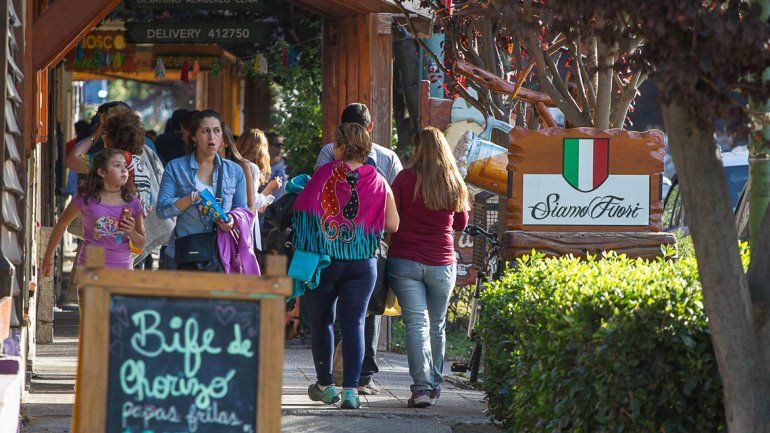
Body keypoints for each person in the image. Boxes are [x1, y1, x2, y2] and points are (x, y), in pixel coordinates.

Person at [294, 122, 399, 410]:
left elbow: (302, 208)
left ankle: (326, 386)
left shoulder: (326, 173)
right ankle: (351, 391)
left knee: (323, 321)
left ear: (340, 147)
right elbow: (393, 223)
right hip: (363, 263)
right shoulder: (379, 180)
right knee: (354, 324)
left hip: (327, 260)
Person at [387, 127, 469, 408]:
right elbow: (461, 224)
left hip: (405, 260)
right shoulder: (453, 181)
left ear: (419, 149)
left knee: (416, 323)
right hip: (442, 262)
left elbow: (391, 219)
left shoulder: (405, 179)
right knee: (436, 325)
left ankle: (421, 389)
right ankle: (434, 385)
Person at [66, 106, 169, 269]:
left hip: (109, 236)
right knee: (123, 286)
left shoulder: (109, 162)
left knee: (95, 287)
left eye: (105, 134)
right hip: (135, 234)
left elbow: (72, 159)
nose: (102, 138)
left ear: (110, 136)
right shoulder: (140, 162)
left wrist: (94, 135)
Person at [156, 109, 247, 270]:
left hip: (221, 252)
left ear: (222, 137)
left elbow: (243, 211)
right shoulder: (175, 168)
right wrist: (192, 198)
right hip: (182, 252)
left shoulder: (235, 171)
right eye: (205, 131)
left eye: (216, 131)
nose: (211, 137)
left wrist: (232, 220)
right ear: (193, 137)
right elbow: (162, 210)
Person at [42, 149, 146, 276]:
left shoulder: (133, 203)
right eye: (117, 165)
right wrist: (48, 257)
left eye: (125, 165)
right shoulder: (86, 198)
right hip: (90, 269)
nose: (124, 170)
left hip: (123, 270)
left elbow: (140, 244)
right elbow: (62, 224)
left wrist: (131, 231)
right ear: (102, 172)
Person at [228, 129, 282, 253]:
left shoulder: (233, 164)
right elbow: (251, 203)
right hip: (244, 225)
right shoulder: (251, 167)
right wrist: (270, 188)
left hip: (231, 220)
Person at [267, 132, 288, 200]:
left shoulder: (285, 162)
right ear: (267, 145)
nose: (280, 148)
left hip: (282, 206)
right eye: (277, 145)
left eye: (282, 145)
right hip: (264, 207)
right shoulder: (260, 165)